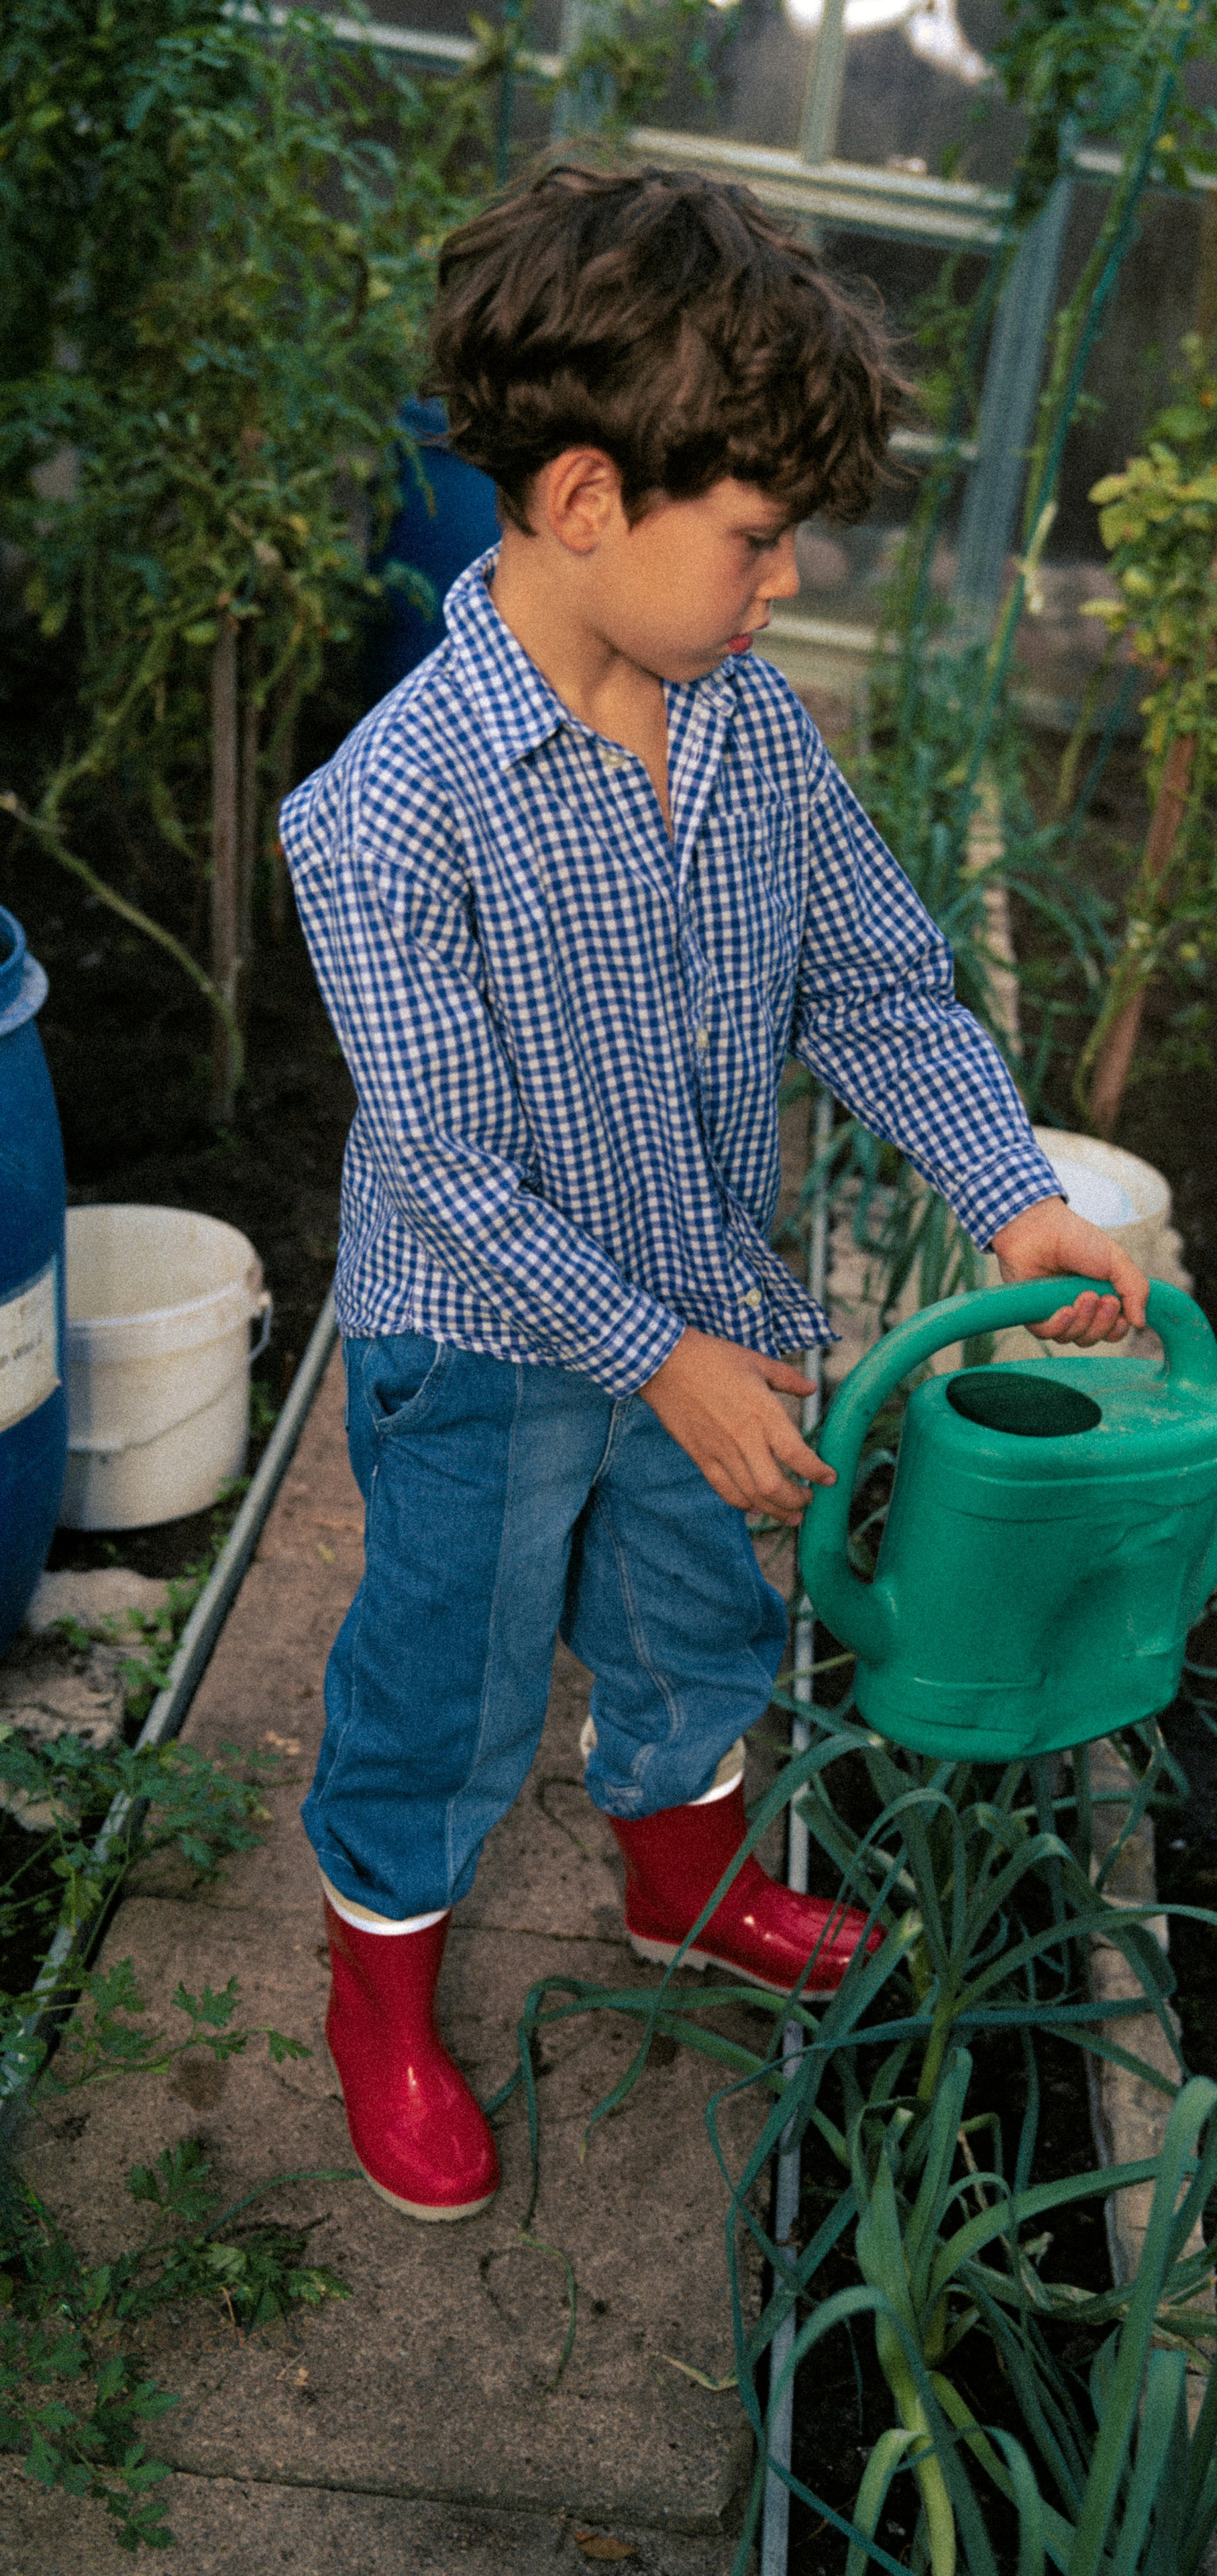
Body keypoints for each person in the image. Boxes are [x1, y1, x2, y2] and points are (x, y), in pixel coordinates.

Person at [282, 162, 1151, 2223]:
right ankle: (377, 1992)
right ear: (590, 501)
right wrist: (659, 1358)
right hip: (484, 1345)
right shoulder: (385, 814)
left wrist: (1012, 1196)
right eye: (757, 543)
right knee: (449, 1675)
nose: (781, 591)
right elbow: (450, 1171)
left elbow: (875, 980)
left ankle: (686, 1885)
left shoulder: (749, 732)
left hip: (708, 1308)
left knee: (699, 1622)